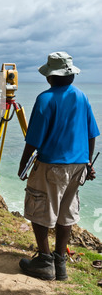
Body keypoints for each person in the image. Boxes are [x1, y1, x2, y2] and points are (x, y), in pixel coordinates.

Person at [18, 52, 100, 281]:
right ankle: (60, 262)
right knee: (66, 213)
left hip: (52, 165)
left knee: (40, 209)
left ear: (50, 77)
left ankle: (45, 261)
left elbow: (33, 140)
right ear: (71, 76)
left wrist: (23, 165)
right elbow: (92, 134)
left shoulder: (45, 99)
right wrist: (87, 163)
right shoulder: (81, 97)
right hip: (77, 166)